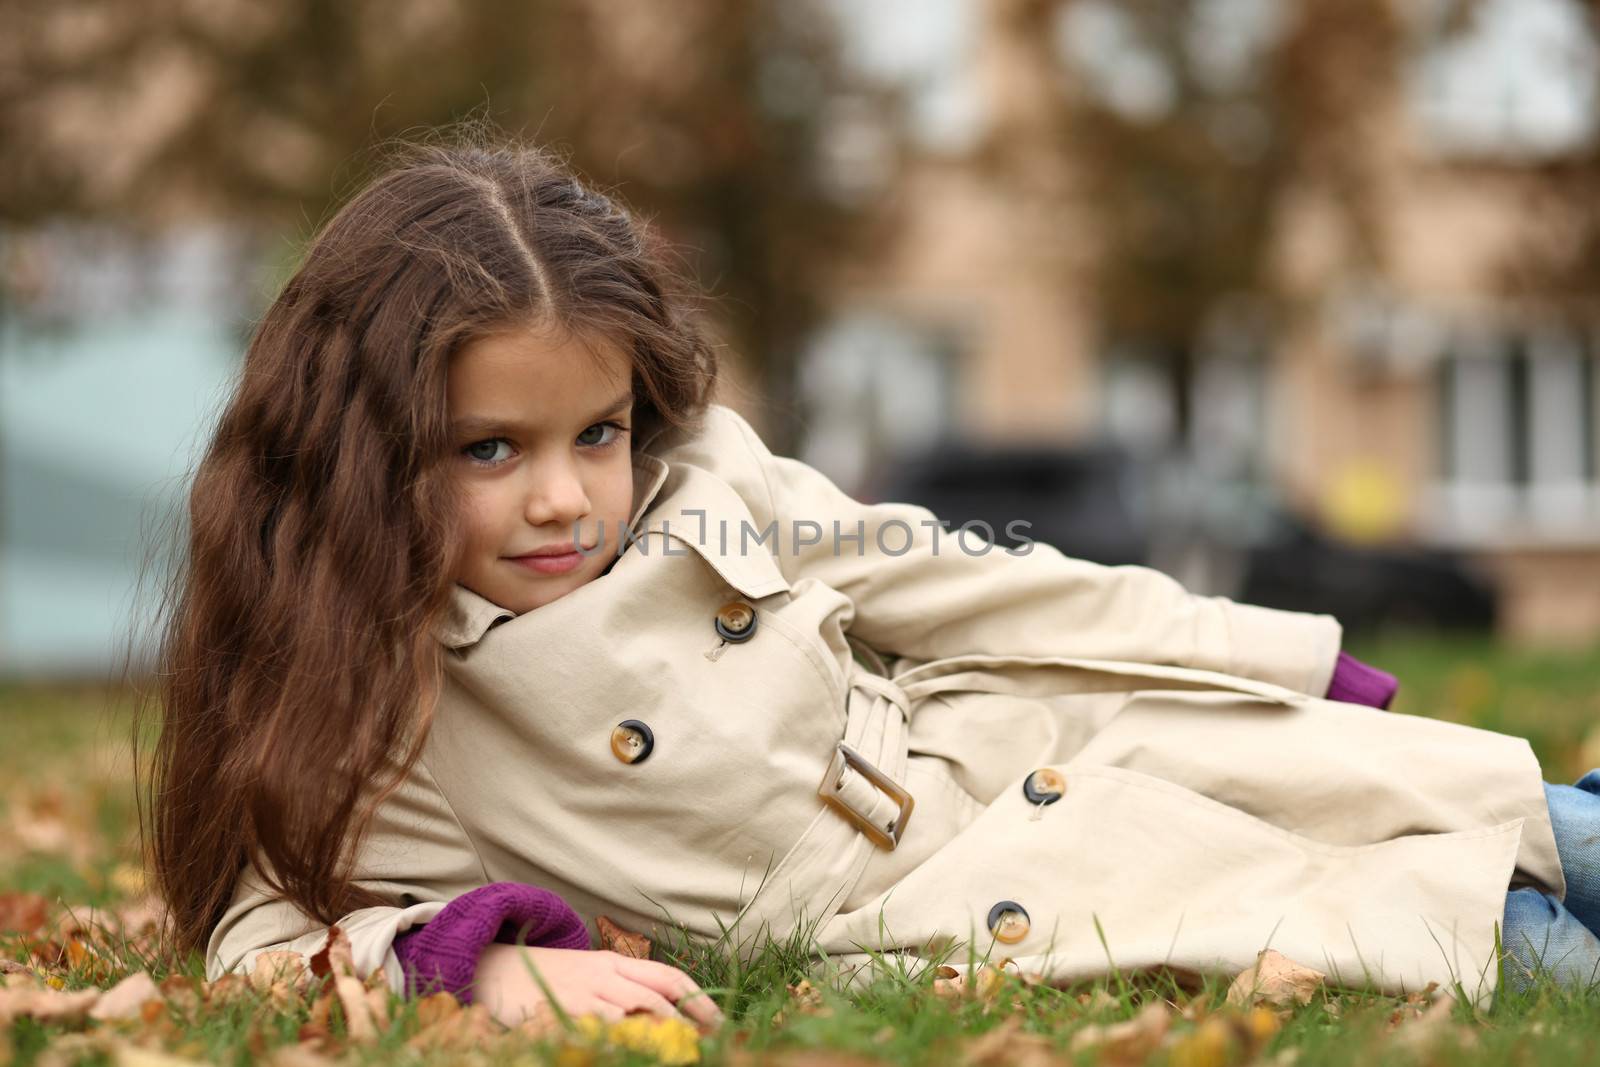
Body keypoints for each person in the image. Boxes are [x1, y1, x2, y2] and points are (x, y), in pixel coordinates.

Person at [142, 137, 1599, 1032]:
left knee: (1527, 812)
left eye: (595, 433)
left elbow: (982, 583)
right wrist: (486, 972)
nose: (565, 495)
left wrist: (1270, 669)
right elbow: (262, 939)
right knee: (1474, 926)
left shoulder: (714, 483)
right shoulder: (375, 694)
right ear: (358, 452)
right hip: (930, 899)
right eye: (488, 448)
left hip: (1028, 737)